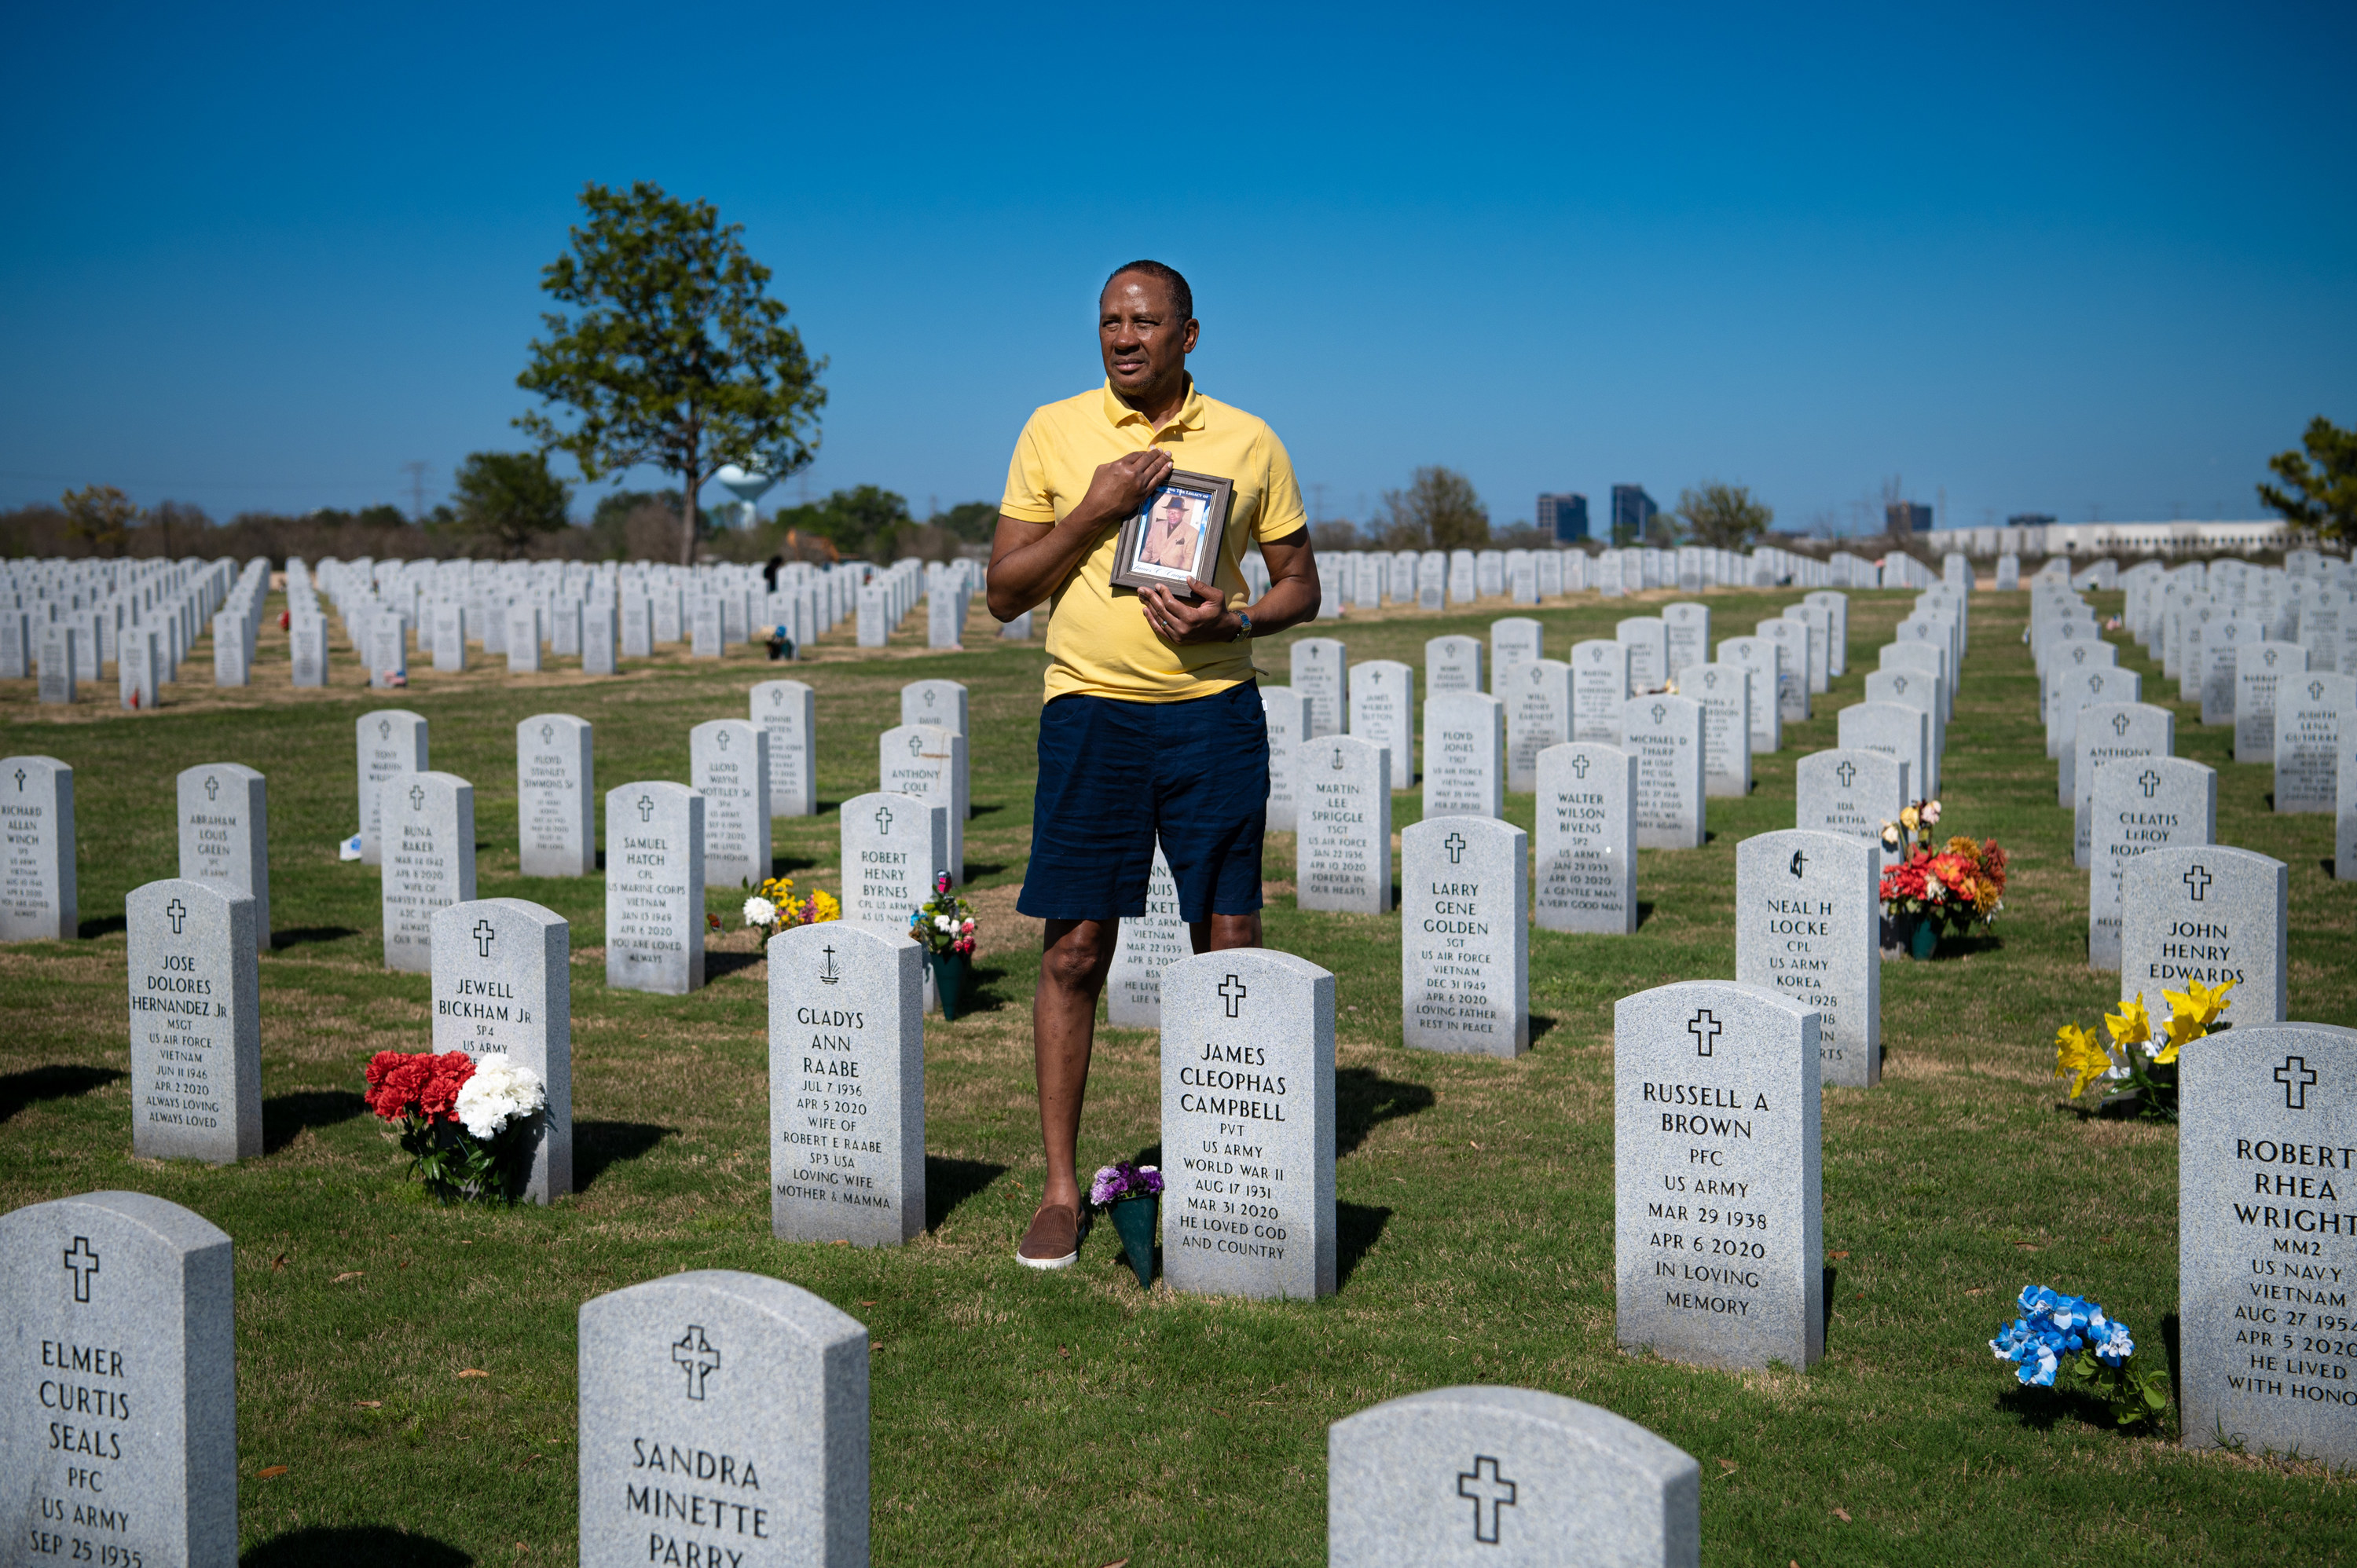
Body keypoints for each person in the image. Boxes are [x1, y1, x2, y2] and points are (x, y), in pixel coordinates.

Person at [986, 258, 1321, 1269]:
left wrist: (1244, 613)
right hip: (1092, 713)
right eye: (1107, 323)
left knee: (1228, 943)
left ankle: (1230, 1168)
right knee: (1075, 948)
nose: (1123, 339)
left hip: (1214, 712)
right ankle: (1057, 1187)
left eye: (1144, 323)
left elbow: (1301, 583)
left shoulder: (1249, 439)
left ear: (1188, 334)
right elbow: (1003, 592)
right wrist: (1091, 511)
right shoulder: (1053, 430)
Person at [1138, 490, 1202, 574]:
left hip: (1172, 572)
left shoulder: (1193, 533)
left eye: (1175, 513)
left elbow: (1188, 560)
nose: (1171, 515)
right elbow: (1147, 550)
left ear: (1183, 514)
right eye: (1169, 512)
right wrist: (1140, 568)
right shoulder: (1156, 525)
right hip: (1151, 567)